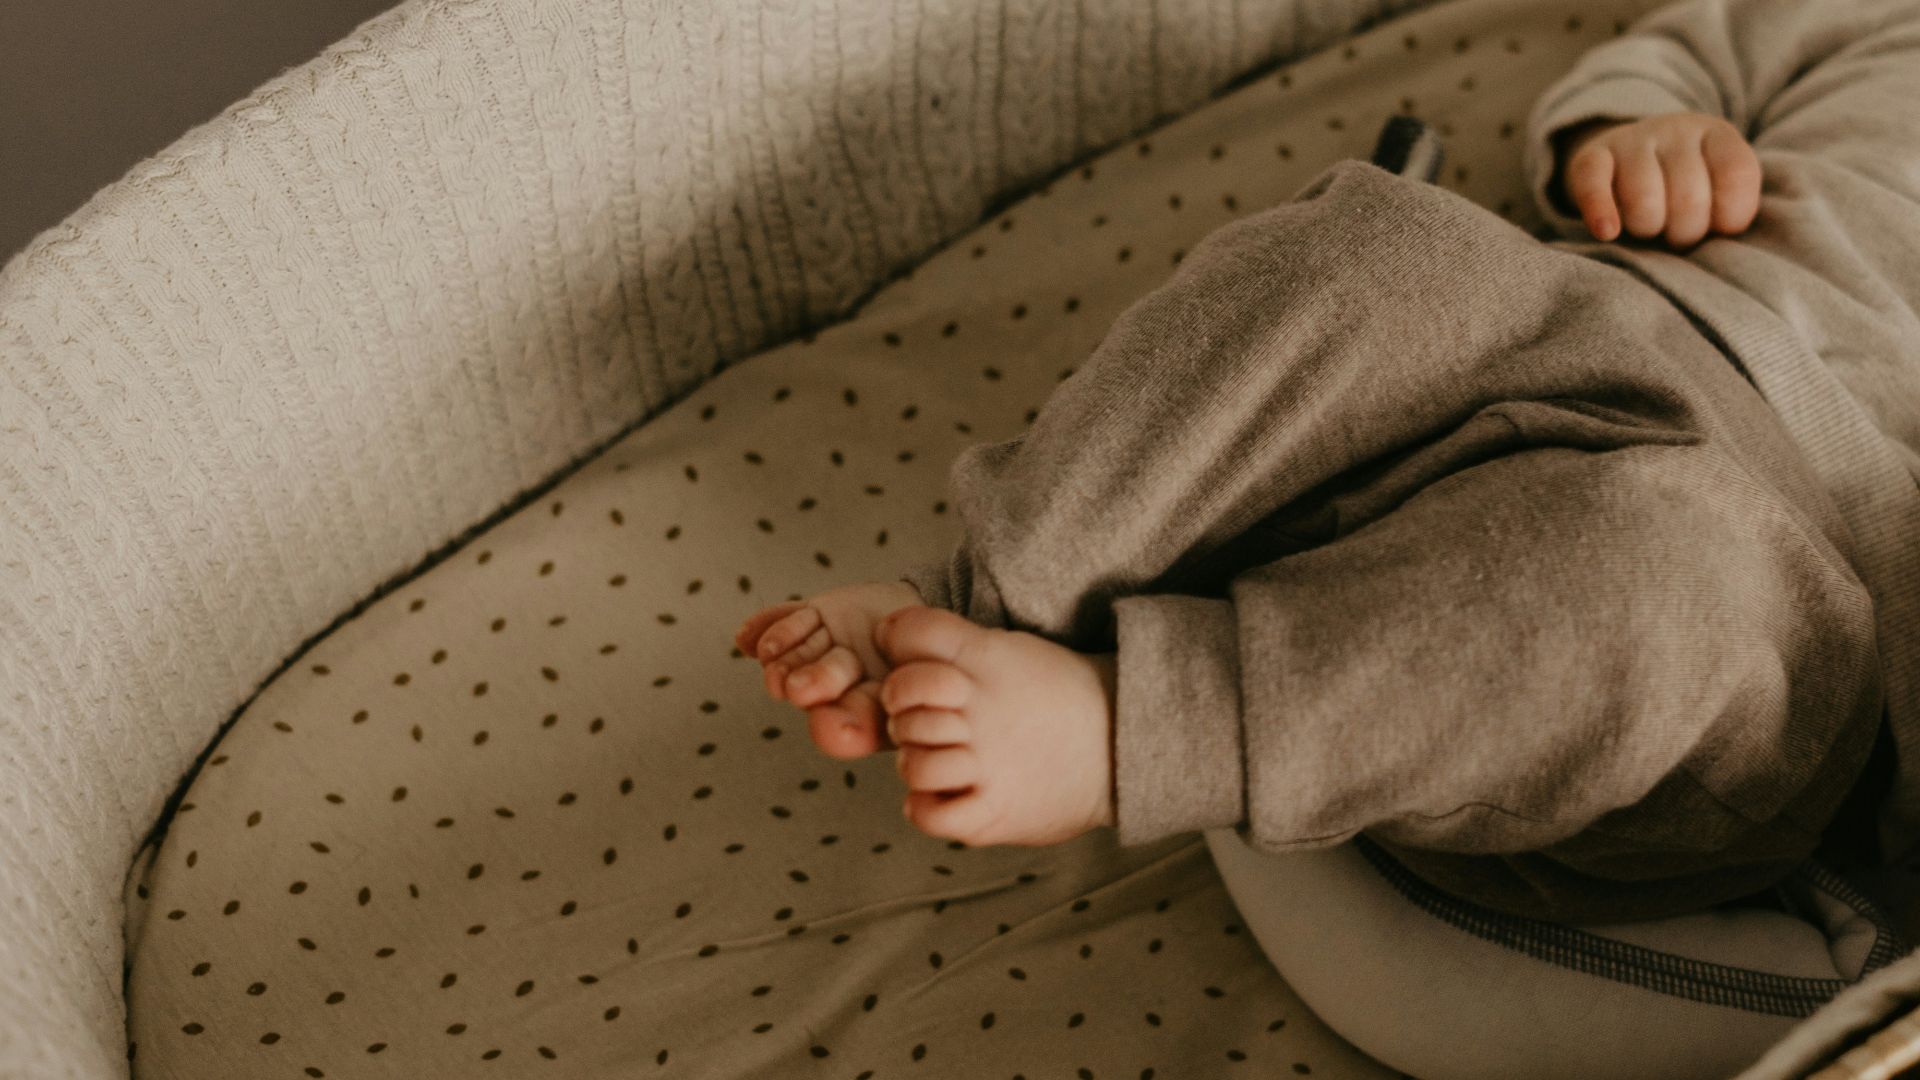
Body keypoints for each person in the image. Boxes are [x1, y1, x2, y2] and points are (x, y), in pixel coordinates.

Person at [731, 0, 1920, 925]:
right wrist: (1636, 137)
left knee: (1655, 586)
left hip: (1818, 586)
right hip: (1611, 315)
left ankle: (1128, 730)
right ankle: (984, 593)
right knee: (1384, 245)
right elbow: (1676, 62)